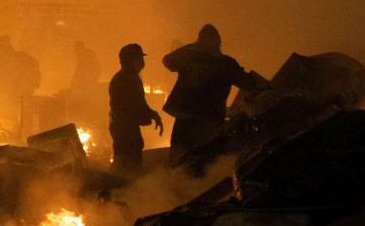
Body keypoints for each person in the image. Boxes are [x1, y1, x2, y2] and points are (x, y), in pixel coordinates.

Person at [162, 24, 260, 165]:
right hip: (209, 121)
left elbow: (168, 60)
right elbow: (249, 83)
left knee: (179, 161)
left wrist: (191, 46)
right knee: (205, 163)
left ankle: (174, 184)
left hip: (185, 119)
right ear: (218, 43)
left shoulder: (189, 57)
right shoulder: (226, 64)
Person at [109, 44, 163, 175]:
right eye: (139, 58)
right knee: (126, 165)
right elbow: (129, 108)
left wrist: (152, 114)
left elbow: (140, 102)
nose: (142, 62)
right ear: (129, 61)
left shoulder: (133, 78)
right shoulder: (122, 81)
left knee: (132, 162)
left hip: (128, 129)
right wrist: (146, 117)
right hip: (124, 130)